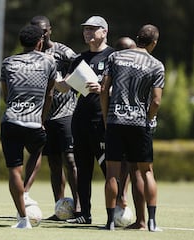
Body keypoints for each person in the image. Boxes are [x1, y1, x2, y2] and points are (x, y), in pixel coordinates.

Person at [101, 24, 164, 231]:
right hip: (139, 123)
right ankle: (151, 222)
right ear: (154, 42)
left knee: (112, 172)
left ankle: (110, 222)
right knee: (146, 172)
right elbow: (155, 101)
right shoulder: (156, 65)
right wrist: (148, 119)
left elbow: (104, 89)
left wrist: (106, 115)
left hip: (115, 121)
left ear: (137, 38)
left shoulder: (116, 57)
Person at [56, 15, 114, 224]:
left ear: (104, 32)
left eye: (92, 29)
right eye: (85, 30)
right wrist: (52, 78)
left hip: (102, 121)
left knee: (110, 169)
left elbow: (121, 87)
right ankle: (84, 214)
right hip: (79, 121)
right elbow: (65, 86)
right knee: (82, 169)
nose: (87, 33)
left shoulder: (113, 57)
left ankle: (115, 213)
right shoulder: (79, 59)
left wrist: (104, 89)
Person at [0, 24, 56, 229]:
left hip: (11, 120)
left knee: (14, 170)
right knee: (37, 151)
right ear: (40, 42)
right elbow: (49, 94)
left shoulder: (8, 62)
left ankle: (23, 219)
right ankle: (26, 191)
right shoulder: (49, 61)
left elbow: (6, 95)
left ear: (21, 42)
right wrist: (42, 119)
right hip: (34, 122)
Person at [29, 15, 80, 220]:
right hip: (45, 115)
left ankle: (78, 207)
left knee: (70, 159)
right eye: (36, 31)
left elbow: (81, 65)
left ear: (50, 30)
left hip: (67, 112)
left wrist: (67, 82)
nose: (40, 34)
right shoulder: (31, 53)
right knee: (54, 163)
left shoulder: (62, 51)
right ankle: (60, 208)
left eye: (43, 30)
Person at [113, 36, 137, 209]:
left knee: (131, 164)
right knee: (116, 164)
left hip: (134, 121)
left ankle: (122, 196)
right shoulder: (111, 65)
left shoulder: (141, 68)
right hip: (112, 120)